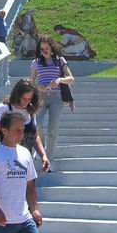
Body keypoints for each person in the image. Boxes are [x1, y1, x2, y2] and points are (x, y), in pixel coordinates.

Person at [0, 79, 50, 173]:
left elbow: (35, 136)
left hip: (24, 162)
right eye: (24, 98)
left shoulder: (31, 111)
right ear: (17, 95)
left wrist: (43, 155)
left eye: (29, 99)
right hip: (5, 162)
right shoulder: (4, 108)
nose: (26, 102)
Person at [30, 36, 74, 164]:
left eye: (47, 48)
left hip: (57, 97)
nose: (44, 51)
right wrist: (39, 87)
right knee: (37, 124)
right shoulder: (36, 62)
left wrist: (60, 80)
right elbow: (31, 82)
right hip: (41, 97)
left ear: (52, 48)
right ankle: (42, 149)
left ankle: (49, 158)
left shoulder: (60, 60)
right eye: (42, 48)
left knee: (52, 129)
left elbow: (71, 78)